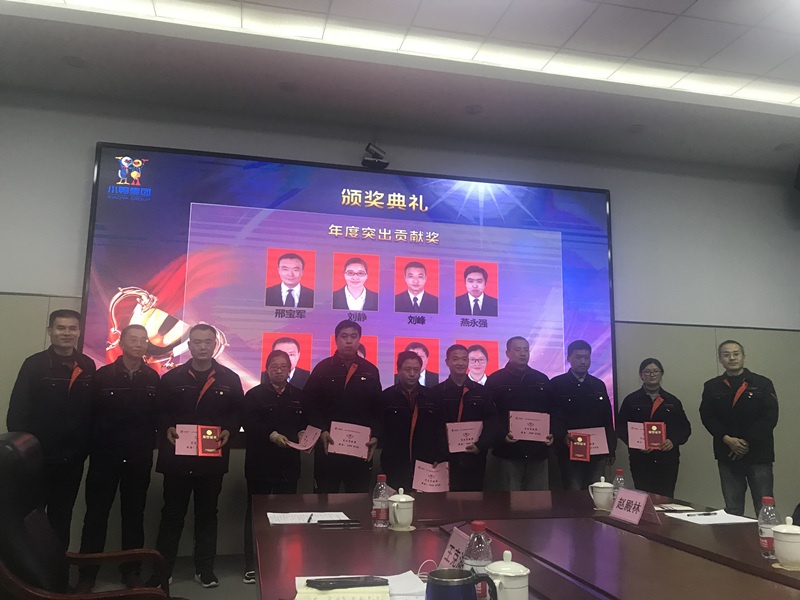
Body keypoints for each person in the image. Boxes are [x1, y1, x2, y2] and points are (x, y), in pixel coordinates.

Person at [150, 324, 243, 588]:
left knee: (207, 515)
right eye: (197, 342)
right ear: (189, 346)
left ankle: (204, 569)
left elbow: (238, 411)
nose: (202, 347)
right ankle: (162, 571)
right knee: (171, 514)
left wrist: (230, 429)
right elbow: (159, 411)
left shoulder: (230, 378)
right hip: (177, 459)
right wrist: (166, 427)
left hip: (211, 460)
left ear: (215, 345)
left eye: (207, 342)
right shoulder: (172, 378)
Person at [75, 325, 159, 592]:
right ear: (121, 343)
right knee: (96, 516)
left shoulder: (153, 378)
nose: (139, 344)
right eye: (133, 339)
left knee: (134, 515)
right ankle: (87, 575)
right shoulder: (102, 376)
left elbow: (157, 418)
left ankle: (131, 572)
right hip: (105, 458)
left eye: (143, 340)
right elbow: (88, 416)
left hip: (138, 459)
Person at [7, 308, 96, 549]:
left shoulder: (87, 365)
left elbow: (91, 411)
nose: (66, 333)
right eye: (61, 328)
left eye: (72, 328)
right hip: (38, 460)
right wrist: (26, 454)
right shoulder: (34, 364)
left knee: (62, 516)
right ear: (50, 331)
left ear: (79, 332)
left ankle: (58, 568)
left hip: (72, 460)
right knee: (30, 517)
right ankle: (30, 570)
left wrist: (84, 448)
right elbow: (17, 415)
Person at [241, 349, 307, 585]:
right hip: (260, 464)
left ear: (290, 369)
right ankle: (252, 563)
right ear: (267, 369)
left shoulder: (299, 395)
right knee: (255, 514)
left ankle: (281, 559)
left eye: (283, 366)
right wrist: (272, 435)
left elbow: (305, 422)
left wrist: (304, 434)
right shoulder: (254, 395)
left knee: (285, 514)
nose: (279, 371)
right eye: (274, 367)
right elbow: (250, 423)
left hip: (288, 465)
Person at [700, 340, 778, 516]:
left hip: (758, 454)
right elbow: (707, 416)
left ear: (743, 357)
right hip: (727, 453)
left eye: (736, 354)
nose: (732, 358)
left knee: (764, 507)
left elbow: (769, 417)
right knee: (733, 508)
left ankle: (765, 535)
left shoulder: (763, 383)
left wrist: (745, 442)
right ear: (720, 359)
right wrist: (727, 439)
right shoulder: (712, 386)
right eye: (726, 355)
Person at [304, 320, 382, 493]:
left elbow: (378, 408)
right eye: (344, 336)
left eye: (353, 336)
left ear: (359, 340)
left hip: (359, 449)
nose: (349, 341)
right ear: (336, 340)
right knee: (325, 499)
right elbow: (309, 403)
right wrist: (321, 430)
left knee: (358, 499)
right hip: (328, 447)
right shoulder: (323, 369)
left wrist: (376, 435)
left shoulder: (370, 370)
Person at [485, 337, 557, 491]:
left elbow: (552, 410)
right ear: (508, 353)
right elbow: (489, 415)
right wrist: (502, 435)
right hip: (508, 452)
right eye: (517, 350)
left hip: (538, 452)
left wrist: (552, 433)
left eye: (525, 350)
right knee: (509, 500)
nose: (523, 353)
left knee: (538, 501)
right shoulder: (495, 380)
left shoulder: (541, 379)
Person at [616, 358, 691, 498]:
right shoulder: (631, 400)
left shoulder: (672, 400)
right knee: (643, 496)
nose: (652, 374)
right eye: (647, 371)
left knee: (665, 497)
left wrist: (673, 441)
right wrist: (635, 443)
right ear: (641, 375)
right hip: (640, 458)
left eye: (656, 371)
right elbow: (620, 427)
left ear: (661, 374)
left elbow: (684, 428)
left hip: (667, 458)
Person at [551, 340, 615, 491]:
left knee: (596, 492)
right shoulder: (557, 384)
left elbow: (607, 418)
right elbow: (553, 416)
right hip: (569, 450)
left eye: (586, 357)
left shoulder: (598, 385)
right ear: (569, 358)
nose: (583, 361)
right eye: (578, 357)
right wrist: (562, 435)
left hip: (597, 451)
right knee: (574, 492)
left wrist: (611, 448)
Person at [433, 344, 496, 491]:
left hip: (474, 457)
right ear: (447, 362)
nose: (460, 363)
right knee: (445, 501)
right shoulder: (436, 392)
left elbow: (492, 422)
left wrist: (480, 446)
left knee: (473, 500)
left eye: (464, 359)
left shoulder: (482, 392)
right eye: (455, 359)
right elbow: (431, 426)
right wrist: (439, 452)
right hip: (445, 459)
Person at [379, 351, 444, 491]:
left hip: (425, 462)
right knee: (396, 501)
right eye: (408, 369)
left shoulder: (432, 397)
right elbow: (380, 428)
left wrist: (440, 455)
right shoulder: (386, 397)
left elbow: (440, 428)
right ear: (398, 370)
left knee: (425, 503)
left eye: (416, 369)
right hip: (394, 463)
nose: (412, 374)